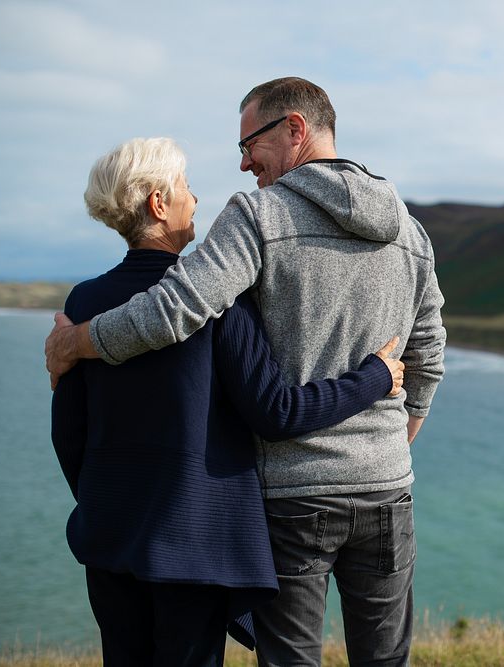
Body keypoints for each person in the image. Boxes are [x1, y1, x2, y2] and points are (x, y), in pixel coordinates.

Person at [46, 78, 446, 666]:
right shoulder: (410, 230)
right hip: (387, 487)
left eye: (248, 143)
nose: (240, 164)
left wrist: (79, 341)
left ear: (294, 128)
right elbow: (428, 350)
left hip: (292, 496)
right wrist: (394, 437)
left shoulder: (257, 217)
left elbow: (176, 308)